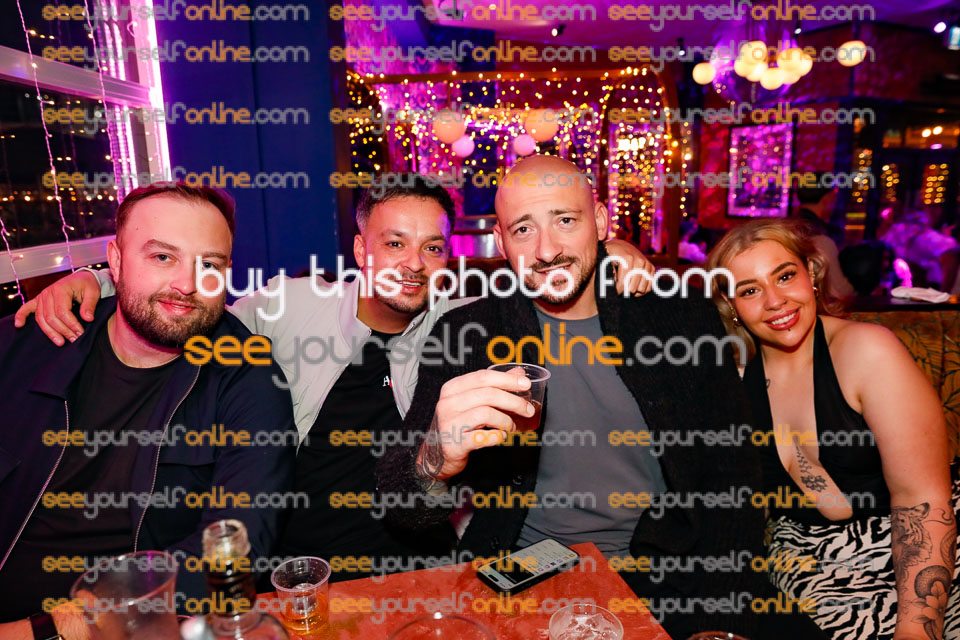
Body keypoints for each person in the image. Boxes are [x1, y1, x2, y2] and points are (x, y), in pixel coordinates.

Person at [16, 175, 654, 584]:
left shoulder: (465, 323)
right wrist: (97, 284)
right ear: (362, 250)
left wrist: (613, 253)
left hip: (420, 564)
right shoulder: (288, 307)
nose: (413, 264)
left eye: (433, 247)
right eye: (394, 243)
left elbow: (550, 281)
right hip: (298, 565)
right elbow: (185, 304)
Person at [374, 156, 797, 639]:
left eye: (565, 221)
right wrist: (435, 458)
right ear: (501, 240)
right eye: (524, 229)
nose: (546, 250)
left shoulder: (679, 318)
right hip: (519, 579)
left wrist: (720, 622)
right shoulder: (467, 333)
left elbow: (732, 481)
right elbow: (399, 505)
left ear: (600, 221)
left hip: (660, 579)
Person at [0, 183, 297, 637]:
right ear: (116, 261)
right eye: (162, 257)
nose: (187, 285)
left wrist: (47, 629)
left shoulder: (247, 379)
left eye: (210, 265)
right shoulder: (26, 343)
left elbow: (238, 550)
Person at [705, 218, 960, 640]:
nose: (775, 301)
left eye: (784, 276)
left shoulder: (867, 350)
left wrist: (917, 629)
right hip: (808, 557)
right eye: (749, 290)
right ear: (730, 305)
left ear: (811, 274)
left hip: (917, 544)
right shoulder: (733, 380)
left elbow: (923, 501)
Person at [792, 174, 855, 300]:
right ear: (827, 198)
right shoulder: (820, 237)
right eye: (834, 196)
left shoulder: (788, 227)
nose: (835, 202)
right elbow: (839, 290)